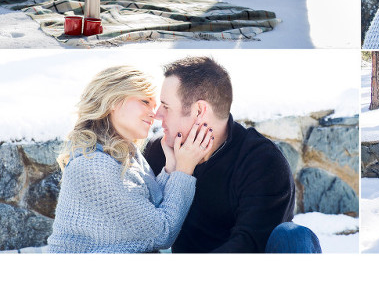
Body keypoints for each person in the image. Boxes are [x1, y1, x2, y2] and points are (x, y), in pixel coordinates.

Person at [143, 56, 321, 253]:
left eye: (166, 107)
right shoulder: (158, 152)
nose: (157, 115)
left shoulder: (262, 161)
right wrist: (173, 172)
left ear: (199, 110)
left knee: (293, 236)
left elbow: (250, 245)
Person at [47, 66, 213, 253]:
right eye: (145, 101)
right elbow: (161, 233)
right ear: (113, 101)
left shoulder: (124, 152)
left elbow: (151, 208)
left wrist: (171, 167)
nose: (155, 113)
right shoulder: (92, 165)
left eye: (155, 105)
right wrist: (184, 170)